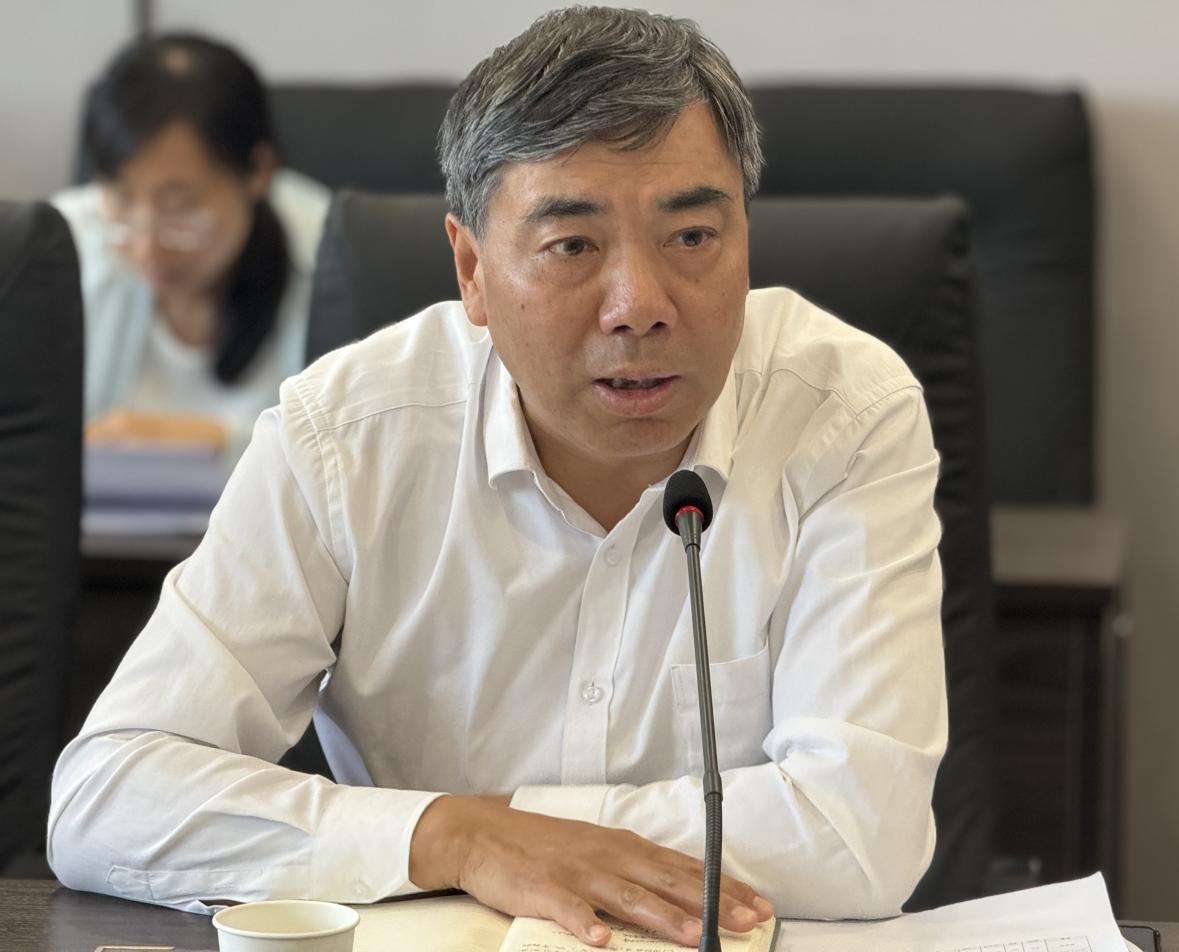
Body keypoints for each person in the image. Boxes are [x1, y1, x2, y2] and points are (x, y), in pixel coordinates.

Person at [48, 8, 947, 944]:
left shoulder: (842, 413)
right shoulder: (347, 438)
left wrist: (507, 831)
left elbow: (860, 834)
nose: (639, 306)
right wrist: (453, 838)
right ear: (472, 269)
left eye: (691, 237)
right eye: (572, 246)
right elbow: (110, 797)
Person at [52, 33, 330, 460]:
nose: (146, 245)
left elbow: (356, 452)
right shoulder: (54, 247)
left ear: (258, 171)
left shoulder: (336, 259)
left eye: (180, 207)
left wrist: (206, 443)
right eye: (121, 198)